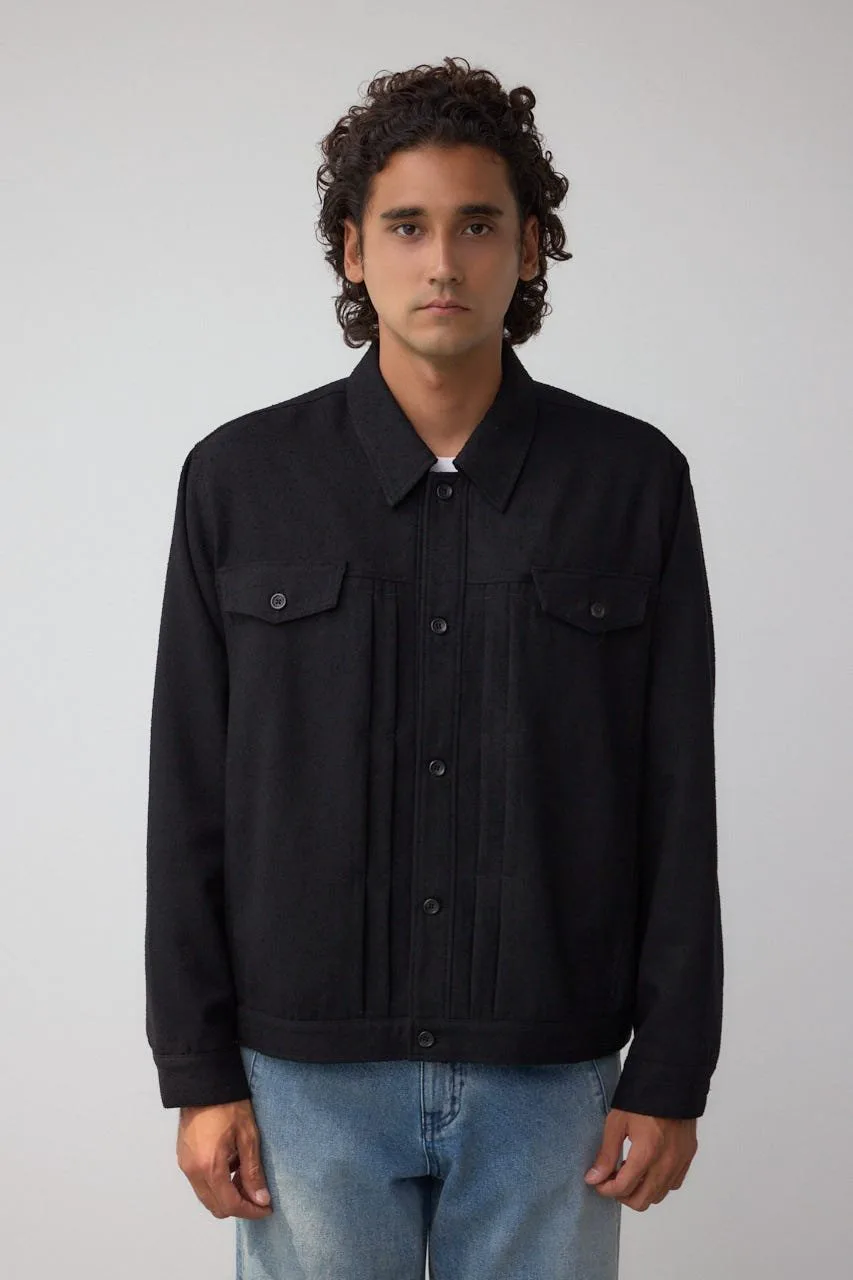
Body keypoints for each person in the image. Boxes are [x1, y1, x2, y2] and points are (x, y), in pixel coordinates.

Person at [145, 55, 723, 1280]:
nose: (443, 262)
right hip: (302, 1082)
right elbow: (188, 793)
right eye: (406, 226)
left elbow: (678, 796)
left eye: (478, 224)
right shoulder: (239, 481)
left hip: (553, 1077)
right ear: (353, 251)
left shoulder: (632, 483)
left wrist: (672, 1065)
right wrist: (196, 1069)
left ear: (530, 248)